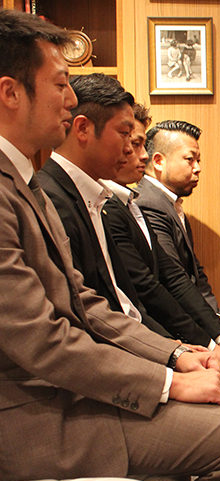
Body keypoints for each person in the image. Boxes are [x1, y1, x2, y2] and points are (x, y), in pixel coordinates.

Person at [0, 9, 220, 481]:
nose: (70, 100)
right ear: (10, 93)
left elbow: (87, 304)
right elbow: (41, 341)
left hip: (63, 393)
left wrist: (177, 356)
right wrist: (167, 382)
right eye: (60, 84)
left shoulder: (25, 182)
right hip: (32, 417)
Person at [102, 103, 220, 381]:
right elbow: (149, 287)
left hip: (163, 324)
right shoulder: (142, 204)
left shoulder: (135, 202)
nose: (142, 155)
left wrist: (218, 331)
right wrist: (206, 341)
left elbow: (184, 275)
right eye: (189, 159)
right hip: (149, 331)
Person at [37, 73, 169, 337]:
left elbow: (126, 303)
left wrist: (173, 346)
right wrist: (171, 354)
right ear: (83, 129)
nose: (131, 150)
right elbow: (83, 317)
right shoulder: (50, 199)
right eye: (124, 134)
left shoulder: (96, 197)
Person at [135, 119, 220, 354]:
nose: (198, 168)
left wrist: (216, 318)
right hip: (171, 326)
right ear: (158, 161)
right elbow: (172, 280)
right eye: (190, 159)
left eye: (198, 160)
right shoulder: (149, 204)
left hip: (192, 315)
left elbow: (196, 273)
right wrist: (215, 331)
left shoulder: (170, 203)